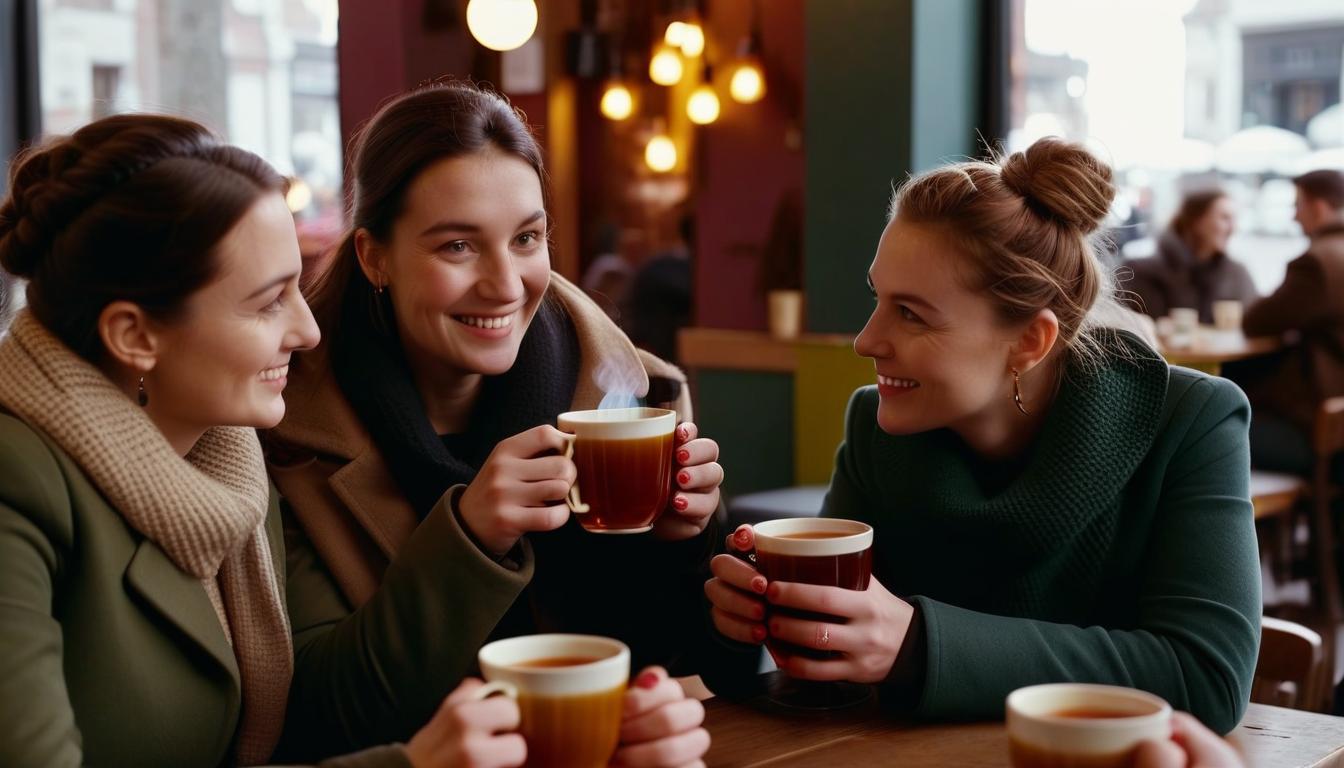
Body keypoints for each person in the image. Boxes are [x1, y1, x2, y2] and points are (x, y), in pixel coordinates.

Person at [0, 114, 535, 767]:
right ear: (135, 336)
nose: (307, 331)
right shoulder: (17, 482)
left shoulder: (231, 460)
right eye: (267, 302)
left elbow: (320, 701)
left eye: (297, 287)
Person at [704, 138, 1260, 733]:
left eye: (911, 313)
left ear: (1030, 341)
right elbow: (835, 656)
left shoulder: (1191, 421)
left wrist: (921, 645)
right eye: (878, 299)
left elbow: (1207, 675)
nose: (866, 340)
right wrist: (753, 617)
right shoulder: (879, 429)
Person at [265, 82, 720, 764]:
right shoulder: (280, 434)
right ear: (373, 257)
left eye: (527, 238)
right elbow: (320, 715)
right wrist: (469, 538)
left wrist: (684, 543)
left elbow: (678, 659)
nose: (506, 284)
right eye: (457, 247)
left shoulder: (643, 394)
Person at [1237, 169, 1344, 478]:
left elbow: (1257, 321)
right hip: (1336, 427)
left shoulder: (1319, 263)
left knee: (1210, 427)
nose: (1295, 217)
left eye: (1297, 205)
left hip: (1321, 433)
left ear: (1318, 207)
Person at [1122, 189, 1258, 322]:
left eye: (1234, 219)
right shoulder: (1141, 272)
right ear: (1197, 221)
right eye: (1224, 218)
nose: (1233, 228)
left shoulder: (1237, 274)